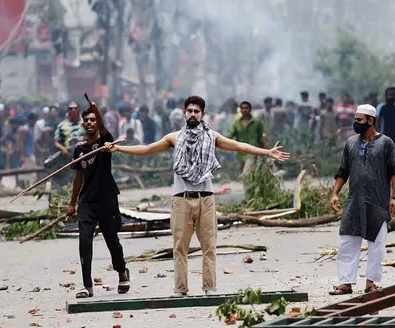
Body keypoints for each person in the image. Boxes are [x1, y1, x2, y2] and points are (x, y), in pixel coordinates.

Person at [106, 96, 290, 296]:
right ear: (185, 112)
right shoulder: (173, 138)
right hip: (181, 199)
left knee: (209, 246)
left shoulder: (212, 136)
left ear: (202, 114)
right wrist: (118, 148)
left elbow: (239, 146)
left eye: (197, 111)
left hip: (206, 198)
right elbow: (147, 149)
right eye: (190, 110)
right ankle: (180, 289)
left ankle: (209, 288)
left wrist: (267, 152)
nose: (193, 114)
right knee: (179, 247)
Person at [329, 104, 395, 295]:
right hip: (354, 202)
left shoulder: (386, 143)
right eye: (355, 119)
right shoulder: (351, 143)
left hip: (377, 202)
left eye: (359, 120)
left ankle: (371, 283)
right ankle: (345, 283)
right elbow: (342, 171)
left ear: (371, 121)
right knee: (347, 242)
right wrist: (335, 192)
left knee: (376, 245)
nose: (355, 123)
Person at [66, 105, 130, 298]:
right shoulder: (79, 149)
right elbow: (78, 177)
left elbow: (103, 130)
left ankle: (122, 271)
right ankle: (87, 286)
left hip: (107, 199)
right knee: (84, 241)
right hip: (87, 201)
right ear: (83, 124)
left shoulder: (105, 142)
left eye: (93, 120)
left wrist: (97, 110)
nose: (90, 123)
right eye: (87, 120)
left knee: (112, 240)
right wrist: (72, 203)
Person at [52, 101, 86, 189]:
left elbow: (94, 138)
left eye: (75, 108)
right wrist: (63, 149)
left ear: (79, 110)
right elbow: (56, 142)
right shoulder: (62, 125)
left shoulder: (86, 123)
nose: (73, 110)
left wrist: (84, 139)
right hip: (67, 156)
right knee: (65, 181)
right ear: (68, 110)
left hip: (83, 155)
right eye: (71, 108)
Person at [228, 101, 265, 174]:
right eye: (242, 108)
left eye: (246, 108)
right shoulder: (236, 123)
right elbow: (230, 134)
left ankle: (248, 185)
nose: (244, 110)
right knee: (243, 173)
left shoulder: (257, 122)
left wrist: (263, 151)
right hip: (241, 152)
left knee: (246, 172)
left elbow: (260, 138)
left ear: (250, 109)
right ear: (240, 110)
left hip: (252, 151)